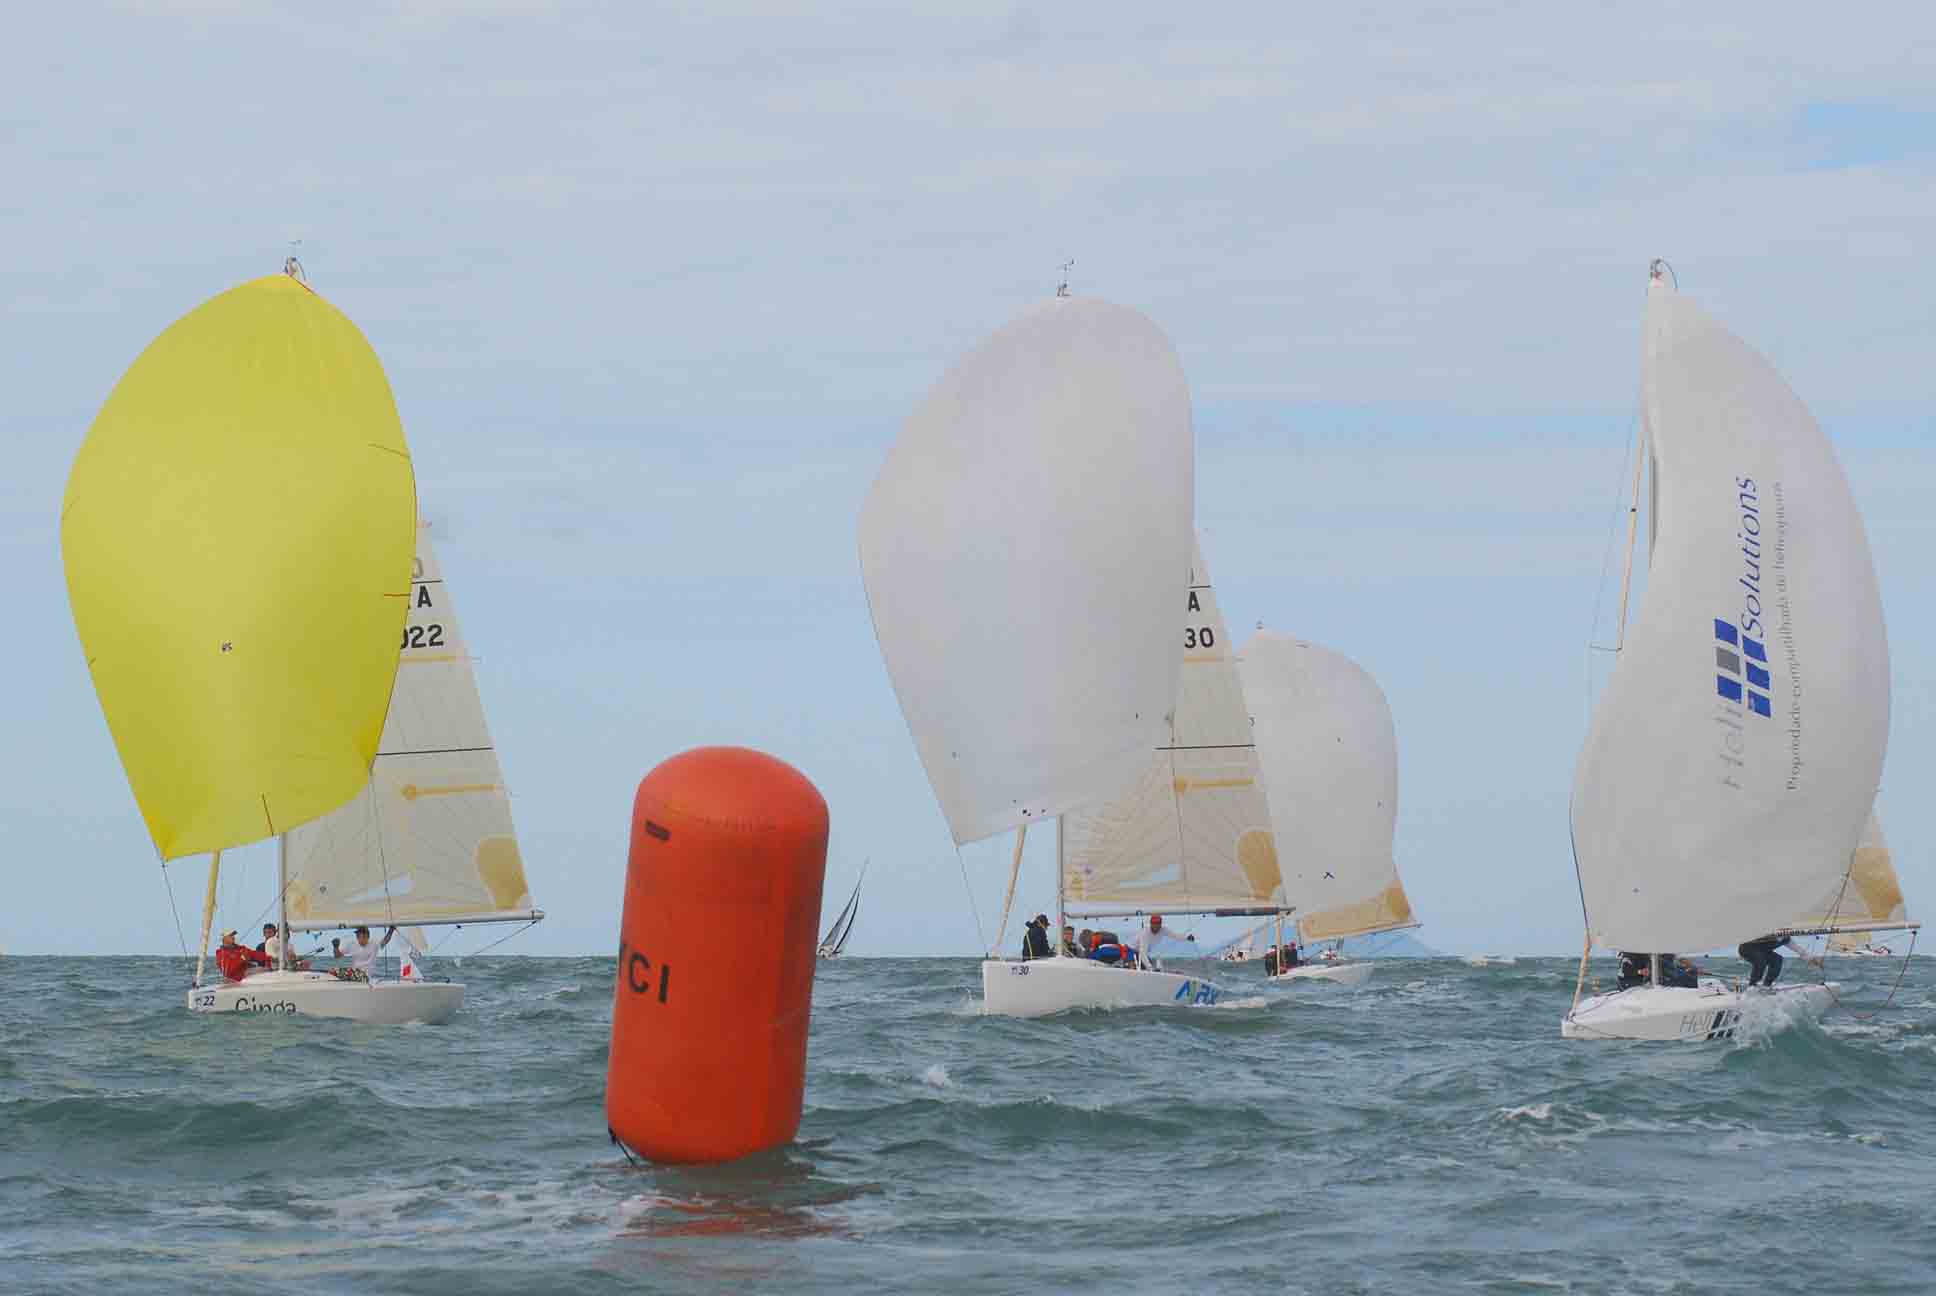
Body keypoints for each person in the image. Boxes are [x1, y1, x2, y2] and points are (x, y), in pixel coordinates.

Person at [1738, 933, 1804, 987]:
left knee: (1777, 959)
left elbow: (1799, 950)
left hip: (1762, 952)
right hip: (1746, 949)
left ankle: (1767, 985)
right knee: (1761, 961)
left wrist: (1810, 958)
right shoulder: (1769, 933)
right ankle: (1752, 985)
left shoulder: (1786, 939)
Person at [331, 925, 396, 980]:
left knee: (347, 973)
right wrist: (335, 947)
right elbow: (337, 956)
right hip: (354, 973)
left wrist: (391, 930)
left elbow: (385, 941)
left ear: (367, 936)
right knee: (333, 971)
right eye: (357, 935)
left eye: (360, 935)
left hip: (365, 975)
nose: (358, 937)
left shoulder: (374, 944)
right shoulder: (352, 944)